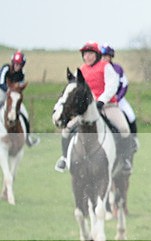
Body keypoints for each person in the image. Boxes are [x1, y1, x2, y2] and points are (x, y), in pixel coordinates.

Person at [55, 42, 134, 173]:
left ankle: (125, 159)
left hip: (108, 106)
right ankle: (64, 158)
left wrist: (101, 101)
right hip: (88, 110)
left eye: (91, 53)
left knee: (124, 129)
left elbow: (112, 86)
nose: (88, 56)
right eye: (85, 54)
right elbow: (72, 89)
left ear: (96, 55)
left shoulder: (106, 67)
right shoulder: (80, 71)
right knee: (67, 129)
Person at [0, 50, 39, 147]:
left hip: (13, 96)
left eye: (19, 64)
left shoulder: (22, 73)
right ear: (12, 62)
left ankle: (28, 138)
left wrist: (14, 94)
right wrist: (8, 90)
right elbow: (1, 83)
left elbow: (20, 86)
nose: (17, 66)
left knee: (24, 113)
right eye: (16, 64)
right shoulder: (6, 68)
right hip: (2, 92)